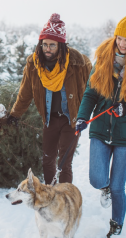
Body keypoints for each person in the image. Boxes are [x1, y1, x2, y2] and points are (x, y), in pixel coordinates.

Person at [75, 4, 126, 237]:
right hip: (101, 130)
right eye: (120, 38)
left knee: (117, 186)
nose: (122, 44)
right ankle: (105, 189)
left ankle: (116, 223)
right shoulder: (103, 60)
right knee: (96, 179)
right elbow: (90, 93)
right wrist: (83, 117)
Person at [7, 13, 92, 185]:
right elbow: (25, 93)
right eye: (44, 44)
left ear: (60, 45)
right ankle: (50, 195)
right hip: (50, 119)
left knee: (64, 163)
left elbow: (92, 90)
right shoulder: (34, 64)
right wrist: (15, 114)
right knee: (47, 160)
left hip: (71, 119)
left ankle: (64, 198)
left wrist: (86, 116)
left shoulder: (79, 63)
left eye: (52, 45)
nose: (47, 49)